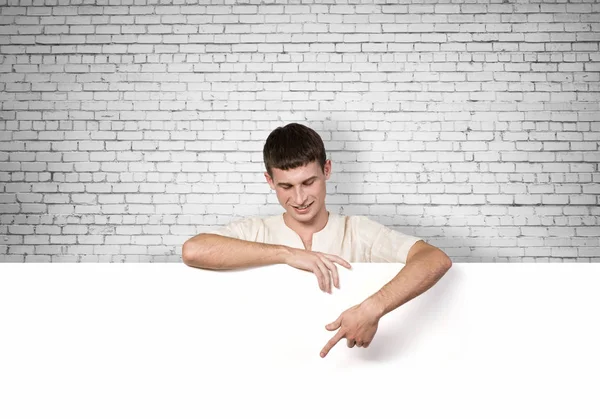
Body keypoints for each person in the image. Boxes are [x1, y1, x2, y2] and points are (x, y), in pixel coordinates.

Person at [182, 122, 452, 358]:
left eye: (308, 182)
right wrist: (287, 254)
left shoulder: (357, 231)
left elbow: (434, 259)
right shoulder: (256, 231)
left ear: (327, 170)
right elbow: (193, 250)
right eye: (286, 187)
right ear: (269, 181)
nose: (299, 199)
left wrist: (373, 308)